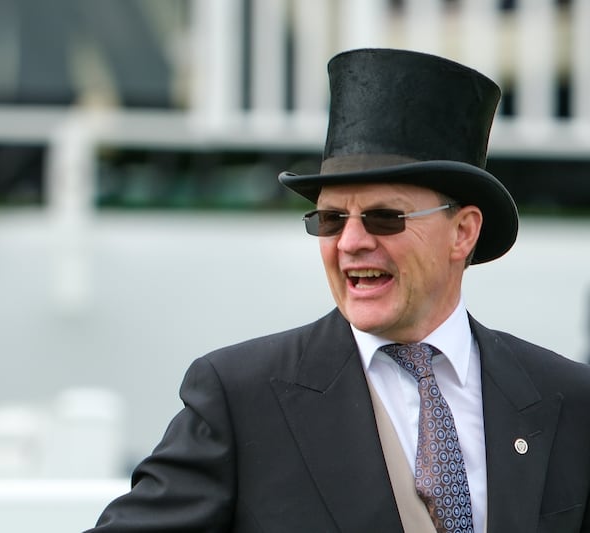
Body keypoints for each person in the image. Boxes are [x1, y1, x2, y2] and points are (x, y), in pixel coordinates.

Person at [86, 48, 590, 532]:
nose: (350, 242)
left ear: (463, 232)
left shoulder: (569, 398)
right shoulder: (240, 399)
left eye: (384, 218)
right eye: (330, 219)